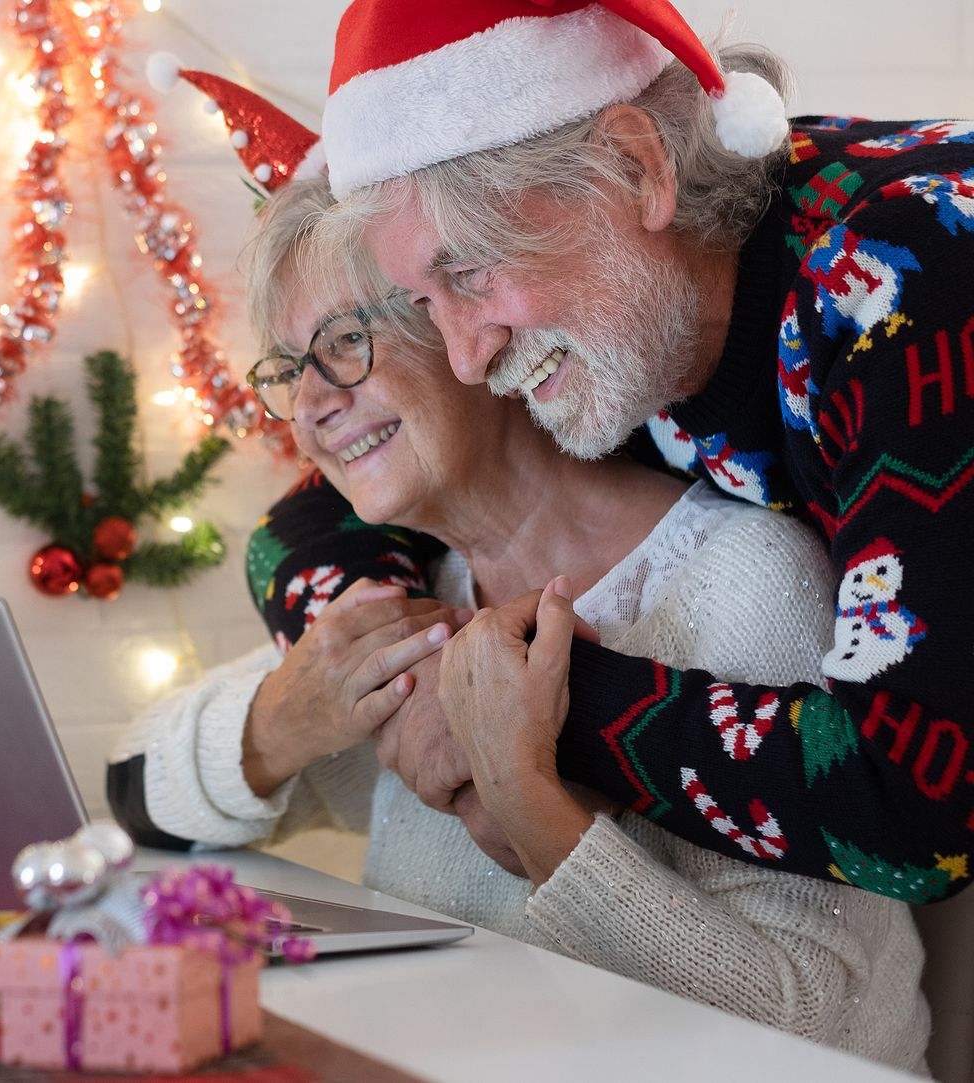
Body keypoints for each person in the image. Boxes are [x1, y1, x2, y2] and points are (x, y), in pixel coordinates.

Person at [108, 148, 929, 1069]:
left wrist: (529, 802)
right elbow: (135, 787)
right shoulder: (417, 601)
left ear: (470, 325)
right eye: (287, 368)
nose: (309, 407)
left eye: (345, 343)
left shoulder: (741, 580)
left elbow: (818, 1027)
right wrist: (282, 719)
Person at [244, 0, 974, 906]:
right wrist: (417, 669)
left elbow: (925, 812)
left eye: (473, 274)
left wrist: (518, 708)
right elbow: (301, 522)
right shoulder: (635, 316)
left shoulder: (910, 273)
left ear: (635, 167)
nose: (467, 357)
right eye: (431, 305)